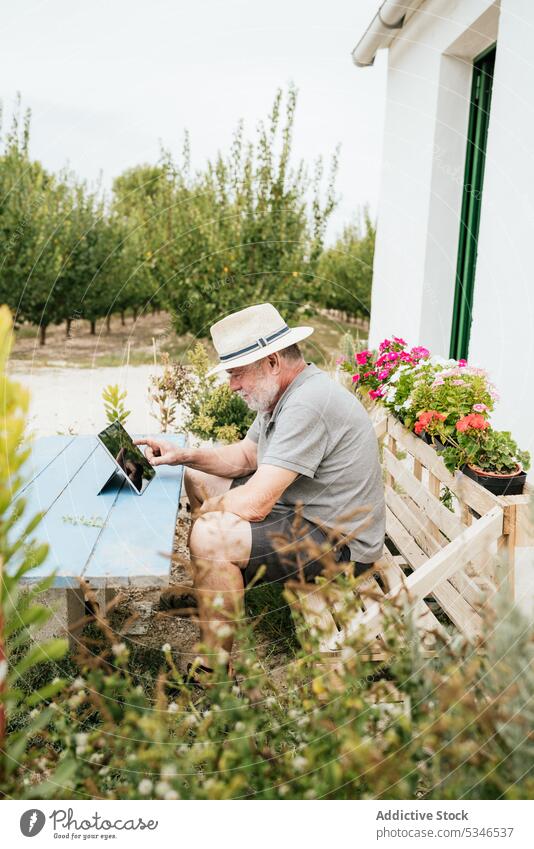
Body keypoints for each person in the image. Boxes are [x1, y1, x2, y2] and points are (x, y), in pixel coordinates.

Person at [135, 303, 385, 683]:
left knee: (212, 535)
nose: (233, 385)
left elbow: (255, 503)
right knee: (197, 479)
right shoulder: (282, 393)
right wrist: (182, 456)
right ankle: (214, 586)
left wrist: (210, 516)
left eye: (237, 374)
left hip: (340, 543)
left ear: (271, 363)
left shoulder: (307, 403)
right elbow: (247, 455)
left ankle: (215, 666)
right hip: (304, 514)